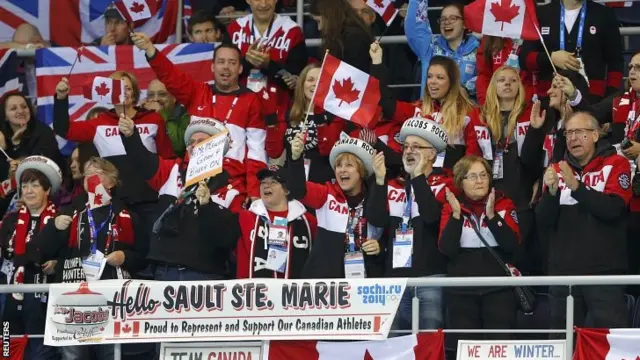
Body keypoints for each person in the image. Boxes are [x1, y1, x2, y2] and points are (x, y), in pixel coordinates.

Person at [131, 32, 268, 202]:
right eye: (221, 62)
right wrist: (151, 50)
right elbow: (171, 76)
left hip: (231, 182)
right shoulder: (198, 93)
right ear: (212, 67)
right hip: (193, 175)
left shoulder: (251, 100)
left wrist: (254, 193)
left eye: (232, 63)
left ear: (240, 68)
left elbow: (256, 151)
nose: (226, 67)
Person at [44, 157, 146, 360]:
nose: (90, 175)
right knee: (74, 355)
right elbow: (43, 250)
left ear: (111, 181)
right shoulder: (71, 211)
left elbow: (143, 255)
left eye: (96, 172)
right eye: (87, 172)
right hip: (72, 295)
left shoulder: (125, 213)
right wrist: (54, 228)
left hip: (111, 295)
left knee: (110, 353)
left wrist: (125, 256)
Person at [537, 112, 631, 329]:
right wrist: (551, 193)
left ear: (596, 135)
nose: (572, 138)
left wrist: (577, 187)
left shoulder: (616, 164)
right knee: (562, 342)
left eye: (579, 132)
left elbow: (613, 209)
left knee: (608, 343)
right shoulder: (558, 170)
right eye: (568, 133)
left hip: (604, 274)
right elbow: (543, 221)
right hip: (563, 276)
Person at [53, 72, 174, 240]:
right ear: (108, 94)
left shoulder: (153, 119)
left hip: (150, 202)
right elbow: (63, 129)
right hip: (115, 205)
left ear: (135, 93)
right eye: (117, 88)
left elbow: (168, 158)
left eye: (127, 88)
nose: (123, 92)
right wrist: (61, 98)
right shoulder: (99, 122)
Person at [121, 115, 240, 280]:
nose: (193, 145)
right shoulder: (173, 171)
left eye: (201, 141)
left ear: (218, 147)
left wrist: (207, 206)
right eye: (191, 142)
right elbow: (142, 161)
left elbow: (228, 238)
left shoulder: (232, 188)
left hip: (204, 275)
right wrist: (130, 136)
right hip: (164, 271)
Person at [367, 117, 451, 331]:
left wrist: (418, 178)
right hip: (394, 281)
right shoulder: (393, 185)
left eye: (416, 147)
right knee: (393, 350)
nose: (409, 151)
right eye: (406, 147)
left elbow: (432, 217)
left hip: (430, 278)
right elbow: (376, 219)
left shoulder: (445, 184)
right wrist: (379, 181)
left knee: (428, 345)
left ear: (431, 154)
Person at [439, 155, 520, 339]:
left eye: (483, 175)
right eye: (473, 176)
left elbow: (512, 245)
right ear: (461, 181)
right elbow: (446, 248)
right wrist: (456, 216)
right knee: (466, 350)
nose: (480, 181)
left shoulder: (504, 204)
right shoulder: (451, 208)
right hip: (462, 293)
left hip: (498, 291)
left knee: (499, 349)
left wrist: (492, 216)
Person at [371, 43, 483, 169]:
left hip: (449, 185)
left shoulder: (468, 114)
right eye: (429, 76)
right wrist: (377, 63)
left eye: (440, 77)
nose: (432, 81)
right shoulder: (417, 109)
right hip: (418, 179)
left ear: (451, 82)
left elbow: (473, 159)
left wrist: (454, 186)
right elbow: (386, 103)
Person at [288, 134, 384, 278]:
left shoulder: (374, 198)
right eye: (339, 165)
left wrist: (380, 247)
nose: (342, 170)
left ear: (361, 172)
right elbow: (297, 190)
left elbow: (386, 228)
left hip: (363, 284)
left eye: (349, 165)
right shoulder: (327, 193)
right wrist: (295, 159)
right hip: (327, 285)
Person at [0, 156, 62, 360]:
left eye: (35, 185)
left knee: (40, 353)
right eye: (25, 185)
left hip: (43, 299)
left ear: (47, 190)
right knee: (7, 347)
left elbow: (68, 257)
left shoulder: (59, 221)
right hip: (9, 296)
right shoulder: (9, 220)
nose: (28, 190)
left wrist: (56, 264)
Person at [479, 66, 539, 271]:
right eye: (501, 80)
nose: (507, 84)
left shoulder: (531, 115)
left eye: (513, 80)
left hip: (522, 197)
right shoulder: (481, 117)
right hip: (491, 198)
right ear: (492, 86)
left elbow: (540, 155)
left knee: (521, 256)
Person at [519, 0, 623, 102]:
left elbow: (615, 62)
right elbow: (524, 58)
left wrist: (610, 98)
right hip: (550, 98)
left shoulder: (604, 14)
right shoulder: (541, 13)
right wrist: (551, 58)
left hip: (592, 99)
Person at [227, 0, 308, 125]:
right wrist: (247, 62)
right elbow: (224, 72)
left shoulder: (292, 31)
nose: (263, 4)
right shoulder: (234, 29)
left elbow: (297, 76)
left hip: (279, 113)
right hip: (239, 110)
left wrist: (268, 65)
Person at [233, 166, 317, 278]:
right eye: (263, 182)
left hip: (295, 293)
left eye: (273, 182)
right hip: (256, 293)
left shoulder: (308, 221)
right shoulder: (245, 218)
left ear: (286, 190)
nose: (266, 186)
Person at [266, 63, 335, 183]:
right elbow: (274, 152)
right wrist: (271, 124)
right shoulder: (289, 115)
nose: (315, 84)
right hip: (291, 182)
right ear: (302, 85)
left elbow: (327, 150)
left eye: (320, 80)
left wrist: (319, 117)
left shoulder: (333, 117)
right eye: (310, 80)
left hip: (321, 185)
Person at [405, 0, 479, 98]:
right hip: (433, 111)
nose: (446, 22)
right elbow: (415, 26)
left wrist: (466, 88)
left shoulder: (478, 50)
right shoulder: (430, 47)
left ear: (464, 24)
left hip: (466, 111)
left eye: (453, 18)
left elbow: (488, 77)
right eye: (443, 19)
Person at [0, 91, 61, 183]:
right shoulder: (2, 136)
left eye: (24, 107)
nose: (20, 111)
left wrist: (17, 144)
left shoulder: (43, 132)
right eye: (13, 108)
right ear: (5, 116)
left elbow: (41, 167)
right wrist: (2, 150)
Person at [309, 0, 374, 72]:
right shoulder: (341, 35)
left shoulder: (354, 37)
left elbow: (353, 74)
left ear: (330, 17)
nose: (319, 27)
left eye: (319, 21)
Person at [476, 36, 534, 105]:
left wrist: (524, 105)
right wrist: (486, 103)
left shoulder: (533, 33)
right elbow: (484, 75)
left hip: (526, 103)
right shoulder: (490, 35)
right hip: (495, 105)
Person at [142, 79, 191, 158]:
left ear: (174, 98)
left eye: (161, 94)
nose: (155, 99)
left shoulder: (186, 117)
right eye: (151, 95)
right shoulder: (143, 116)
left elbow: (178, 147)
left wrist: (159, 114)